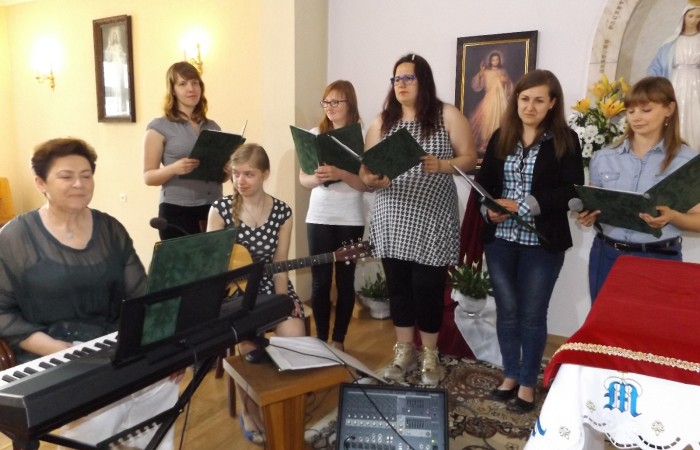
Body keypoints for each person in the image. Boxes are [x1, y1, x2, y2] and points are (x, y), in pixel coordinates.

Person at [0, 138, 179, 449]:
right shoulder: (15, 237)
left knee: (163, 385)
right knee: (99, 403)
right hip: (49, 351)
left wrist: (165, 347)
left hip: (109, 345)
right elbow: (2, 312)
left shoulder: (110, 229)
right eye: (66, 176)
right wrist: (59, 349)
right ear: (41, 182)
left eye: (86, 175)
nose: (79, 184)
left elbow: (141, 295)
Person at [358, 53, 478, 386]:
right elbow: (365, 170)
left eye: (408, 78)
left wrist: (444, 165)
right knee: (398, 288)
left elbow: (470, 158)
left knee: (427, 288)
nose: (401, 84)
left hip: (432, 218)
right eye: (396, 79)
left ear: (423, 81)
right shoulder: (382, 122)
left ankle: (429, 354)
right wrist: (372, 179)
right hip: (392, 216)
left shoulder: (446, 115)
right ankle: (403, 350)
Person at [476, 69, 584, 413]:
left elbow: (572, 192)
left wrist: (522, 206)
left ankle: (527, 382)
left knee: (532, 315)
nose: (530, 106)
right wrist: (488, 208)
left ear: (552, 103)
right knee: (507, 312)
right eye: (524, 99)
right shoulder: (501, 136)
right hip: (501, 241)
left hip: (542, 242)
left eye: (539, 100)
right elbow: (484, 184)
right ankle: (510, 374)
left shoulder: (566, 139)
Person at [207, 143, 305, 444]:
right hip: (233, 292)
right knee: (248, 345)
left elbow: (280, 265)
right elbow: (212, 268)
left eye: (249, 174)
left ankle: (285, 403)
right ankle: (248, 410)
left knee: (294, 333)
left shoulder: (282, 212)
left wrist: (282, 302)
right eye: (236, 174)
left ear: (265, 174)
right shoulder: (220, 210)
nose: (241, 181)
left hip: (270, 285)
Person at [578, 76, 700, 301]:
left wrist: (673, 217)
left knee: (651, 323)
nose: (636, 117)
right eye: (631, 110)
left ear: (669, 109)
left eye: (646, 110)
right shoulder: (604, 157)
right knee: (604, 322)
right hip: (608, 256)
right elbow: (595, 205)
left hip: (660, 259)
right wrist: (588, 215)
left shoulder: (688, 161)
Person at [298, 80, 370, 351]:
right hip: (318, 216)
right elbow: (303, 179)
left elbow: (366, 185)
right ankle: (321, 339)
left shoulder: (362, 139)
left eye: (336, 101)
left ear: (350, 104)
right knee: (320, 281)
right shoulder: (315, 134)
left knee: (345, 281)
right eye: (326, 102)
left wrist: (341, 174)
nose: (329, 107)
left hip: (350, 217)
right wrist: (317, 178)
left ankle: (338, 340)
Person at [143, 61, 228, 240]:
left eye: (195, 83)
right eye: (183, 84)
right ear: (173, 90)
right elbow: (148, 177)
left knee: (216, 259)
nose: (191, 89)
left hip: (213, 207)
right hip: (177, 211)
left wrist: (227, 171)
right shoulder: (158, 127)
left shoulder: (213, 127)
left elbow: (220, 177)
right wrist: (174, 168)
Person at [648, 3, 700, 150]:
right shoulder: (671, 43)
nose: (694, 20)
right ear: (683, 17)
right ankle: (677, 148)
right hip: (676, 83)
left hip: (697, 82)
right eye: (690, 16)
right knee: (677, 113)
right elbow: (656, 66)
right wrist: (654, 86)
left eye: (698, 16)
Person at [470, 51, 514, 153]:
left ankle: (499, 143)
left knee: (500, 119)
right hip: (489, 99)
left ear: (500, 61)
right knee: (487, 120)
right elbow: (478, 85)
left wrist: (505, 81)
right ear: (490, 61)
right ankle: (486, 142)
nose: (495, 61)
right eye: (493, 60)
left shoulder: (503, 72)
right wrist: (481, 72)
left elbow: (509, 85)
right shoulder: (486, 72)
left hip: (501, 99)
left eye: (497, 59)